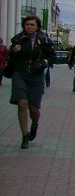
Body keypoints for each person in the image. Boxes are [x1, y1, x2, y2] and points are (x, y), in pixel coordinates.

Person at [8, 15, 54, 149]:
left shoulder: (44, 40)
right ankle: (25, 135)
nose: (29, 27)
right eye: (27, 24)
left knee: (34, 109)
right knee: (22, 103)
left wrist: (43, 63)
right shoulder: (18, 39)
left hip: (36, 76)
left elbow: (52, 56)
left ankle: (34, 124)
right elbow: (11, 55)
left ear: (37, 27)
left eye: (32, 25)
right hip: (20, 74)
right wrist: (13, 51)